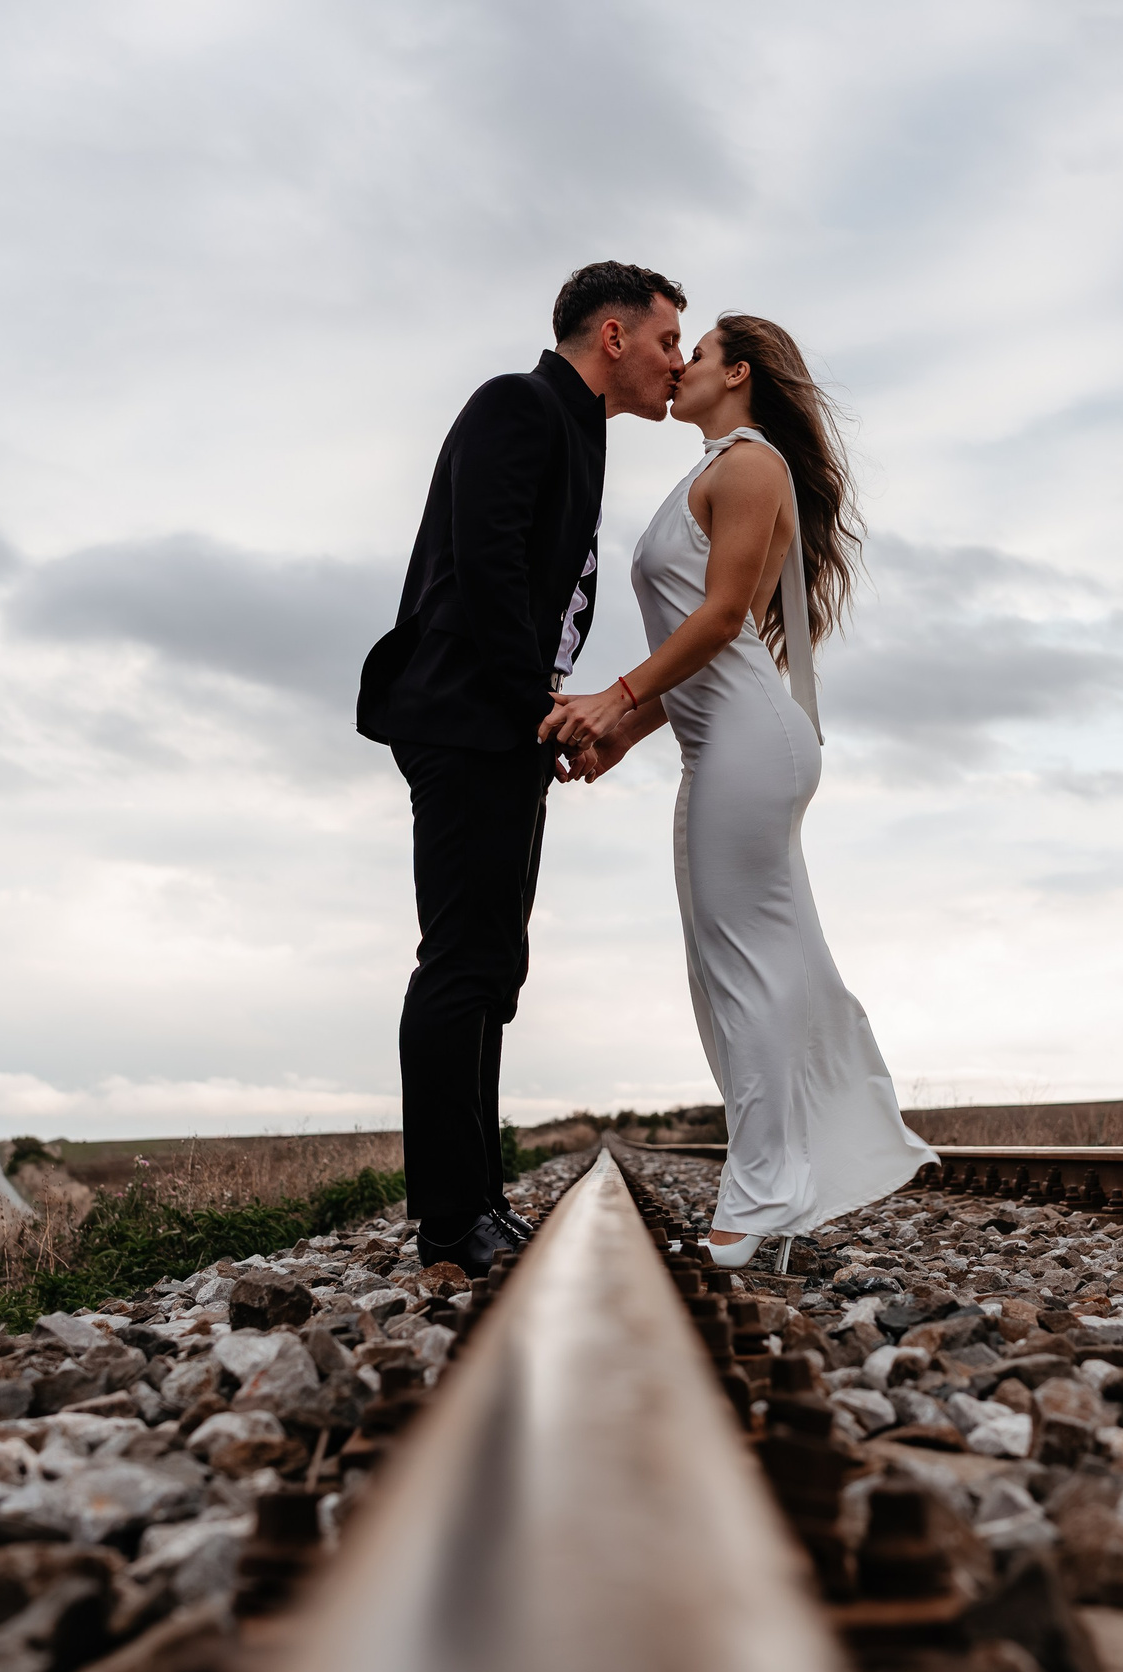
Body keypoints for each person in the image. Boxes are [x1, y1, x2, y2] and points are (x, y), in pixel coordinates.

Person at [539, 314, 936, 1270]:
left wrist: (615, 696)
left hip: (751, 743)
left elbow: (721, 621)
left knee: (747, 968)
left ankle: (758, 1200)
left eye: (696, 349)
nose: (678, 363)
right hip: (721, 739)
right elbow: (708, 645)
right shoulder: (712, 468)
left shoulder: (750, 464)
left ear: (739, 373)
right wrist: (624, 732)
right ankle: (784, 1187)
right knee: (746, 967)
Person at [357, 262, 687, 1276]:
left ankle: (474, 1205)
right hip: (466, 718)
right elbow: (492, 569)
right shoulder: (518, 402)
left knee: (493, 966)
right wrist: (546, 710)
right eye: (669, 340)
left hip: (502, 725)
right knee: (462, 961)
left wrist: (548, 718)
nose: (678, 364)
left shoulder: (576, 433)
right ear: (615, 336)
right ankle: (450, 1221)